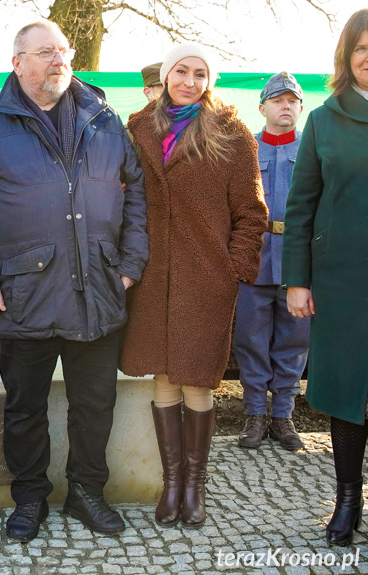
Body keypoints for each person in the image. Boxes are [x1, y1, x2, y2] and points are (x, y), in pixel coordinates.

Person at [0, 21, 148, 543]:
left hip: (97, 290)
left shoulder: (104, 121)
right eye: (45, 53)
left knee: (95, 405)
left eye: (63, 52)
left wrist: (130, 263)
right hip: (23, 295)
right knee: (25, 407)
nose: (58, 61)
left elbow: (137, 195)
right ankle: (30, 497)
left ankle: (86, 492)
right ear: (18, 63)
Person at [120, 43, 267, 529]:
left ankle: (196, 486)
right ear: (165, 76)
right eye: (180, 71)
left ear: (210, 81)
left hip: (207, 276)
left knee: (198, 380)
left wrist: (234, 268)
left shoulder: (231, 132)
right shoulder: (139, 128)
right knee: (164, 375)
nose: (189, 80)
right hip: (152, 275)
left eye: (199, 73)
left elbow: (251, 212)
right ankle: (171, 484)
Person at [282, 8, 368, 547]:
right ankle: (346, 500)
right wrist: (298, 279)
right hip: (342, 283)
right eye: (363, 49)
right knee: (344, 393)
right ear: (347, 56)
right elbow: (301, 205)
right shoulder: (324, 118)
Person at [233, 72, 308, 451]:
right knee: (251, 339)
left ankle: (282, 416)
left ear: (300, 108)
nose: (285, 107)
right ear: (262, 108)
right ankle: (254, 415)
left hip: (298, 261)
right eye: (278, 101)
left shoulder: (314, 149)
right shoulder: (246, 150)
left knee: (294, 341)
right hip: (255, 258)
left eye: (292, 101)